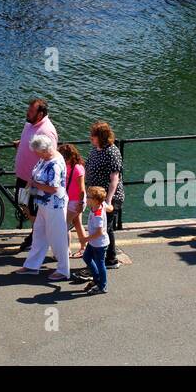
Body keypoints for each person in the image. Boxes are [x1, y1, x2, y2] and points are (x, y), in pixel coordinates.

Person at [16, 134, 70, 281]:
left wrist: (34, 185)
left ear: (45, 150)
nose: (36, 155)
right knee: (39, 234)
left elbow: (53, 188)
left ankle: (64, 270)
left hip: (54, 206)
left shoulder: (55, 164)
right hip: (44, 204)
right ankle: (32, 265)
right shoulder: (45, 158)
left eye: (38, 152)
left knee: (57, 238)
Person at [15, 98, 58, 253]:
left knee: (34, 211)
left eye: (31, 111)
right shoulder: (29, 124)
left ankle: (37, 237)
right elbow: (32, 141)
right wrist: (21, 143)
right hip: (23, 176)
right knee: (22, 204)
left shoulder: (47, 131)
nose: (28, 112)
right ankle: (36, 234)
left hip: (35, 181)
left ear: (40, 114)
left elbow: (51, 158)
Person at [83, 121, 124, 267]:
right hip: (96, 197)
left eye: (93, 136)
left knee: (102, 230)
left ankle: (96, 262)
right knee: (107, 228)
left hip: (107, 198)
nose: (91, 138)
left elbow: (114, 179)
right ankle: (111, 259)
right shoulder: (95, 149)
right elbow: (86, 167)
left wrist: (108, 200)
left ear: (101, 136)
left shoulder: (112, 152)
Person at [79, 185, 110, 294]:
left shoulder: (98, 215)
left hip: (99, 244)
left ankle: (102, 285)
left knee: (100, 263)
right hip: (94, 242)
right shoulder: (99, 205)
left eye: (88, 197)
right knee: (86, 257)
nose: (86, 199)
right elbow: (109, 207)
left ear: (95, 200)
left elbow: (99, 232)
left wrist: (85, 239)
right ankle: (97, 278)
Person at [61, 142, 88, 256]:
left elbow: (82, 189)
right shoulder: (67, 166)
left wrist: (81, 203)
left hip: (76, 201)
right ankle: (84, 248)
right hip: (72, 200)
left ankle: (65, 251)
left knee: (64, 225)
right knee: (77, 223)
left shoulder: (77, 169)